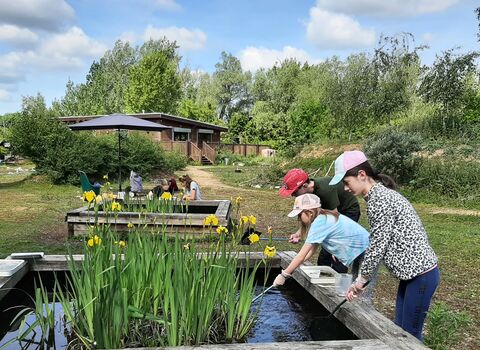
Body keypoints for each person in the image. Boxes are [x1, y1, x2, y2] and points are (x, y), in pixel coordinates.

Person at [330, 150, 439, 340]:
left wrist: (361, 280)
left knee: (410, 336)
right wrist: (361, 280)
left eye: (347, 182)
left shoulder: (380, 199)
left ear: (361, 175)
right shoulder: (376, 197)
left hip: (422, 275)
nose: (346, 188)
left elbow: (377, 245)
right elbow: (380, 242)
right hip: (411, 276)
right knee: (400, 330)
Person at [273, 193, 369, 288]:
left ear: (310, 212)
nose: (298, 219)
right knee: (357, 284)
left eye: (299, 215)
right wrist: (294, 267)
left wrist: (284, 275)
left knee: (362, 286)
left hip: (366, 250)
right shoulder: (323, 216)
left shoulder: (319, 223)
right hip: (364, 248)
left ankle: (363, 302)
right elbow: (310, 252)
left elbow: (301, 256)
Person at [279, 169, 360, 273]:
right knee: (324, 256)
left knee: (336, 253)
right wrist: (299, 233)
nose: (292, 195)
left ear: (304, 186)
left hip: (347, 211)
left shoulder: (325, 191)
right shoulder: (309, 195)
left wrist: (336, 247)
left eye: (294, 191)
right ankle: (323, 279)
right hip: (331, 213)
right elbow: (310, 215)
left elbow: (335, 220)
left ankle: (338, 283)